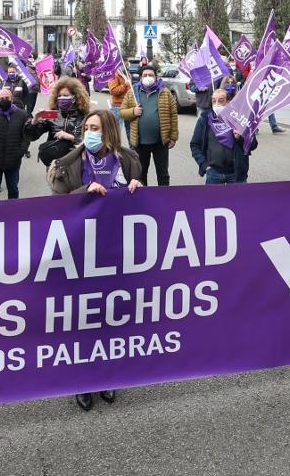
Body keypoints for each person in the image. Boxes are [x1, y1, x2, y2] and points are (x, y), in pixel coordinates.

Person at [46, 108, 141, 411]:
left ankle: (107, 376)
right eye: (87, 126)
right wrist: (83, 190)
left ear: (109, 131)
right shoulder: (69, 162)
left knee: (111, 316)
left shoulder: (128, 160)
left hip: (115, 249)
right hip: (79, 252)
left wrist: (139, 190)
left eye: (96, 127)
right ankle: (82, 378)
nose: (89, 132)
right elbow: (58, 204)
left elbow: (142, 208)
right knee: (82, 318)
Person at [120, 64, 179, 186]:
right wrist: (133, 112)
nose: (148, 77)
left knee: (163, 174)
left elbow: (173, 115)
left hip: (160, 142)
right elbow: (122, 112)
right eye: (145, 75)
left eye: (151, 75)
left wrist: (173, 137)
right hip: (140, 143)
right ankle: (144, 200)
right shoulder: (133, 92)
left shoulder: (165, 93)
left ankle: (164, 199)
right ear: (141, 77)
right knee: (140, 174)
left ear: (156, 77)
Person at [191, 88, 257, 184]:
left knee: (239, 199)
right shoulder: (205, 119)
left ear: (229, 102)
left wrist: (241, 138)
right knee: (213, 199)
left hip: (236, 174)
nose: (217, 104)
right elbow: (195, 145)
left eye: (221, 101)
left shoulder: (240, 119)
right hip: (213, 173)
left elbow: (253, 145)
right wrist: (204, 165)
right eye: (214, 101)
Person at [29, 76, 90, 168]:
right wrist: (34, 122)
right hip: (55, 164)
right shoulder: (53, 114)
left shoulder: (85, 117)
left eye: (65, 96)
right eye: (59, 96)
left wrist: (71, 137)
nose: (62, 98)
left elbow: (91, 143)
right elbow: (32, 136)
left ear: (75, 97)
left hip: (76, 163)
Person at [107, 70, 131, 145]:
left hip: (129, 106)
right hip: (118, 107)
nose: (127, 63)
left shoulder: (127, 73)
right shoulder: (114, 75)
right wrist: (124, 85)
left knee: (130, 130)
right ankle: (114, 149)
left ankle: (133, 151)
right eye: (125, 60)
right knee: (115, 131)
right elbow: (113, 91)